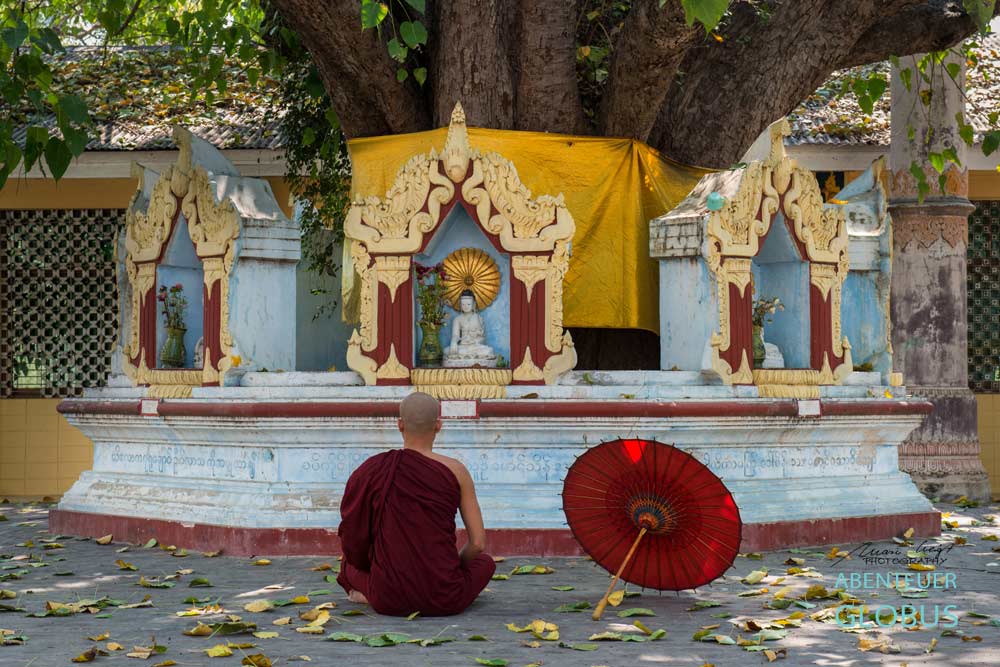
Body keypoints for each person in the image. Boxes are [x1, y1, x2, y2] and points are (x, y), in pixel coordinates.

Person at [336, 391, 496, 616]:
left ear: (399, 424)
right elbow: (478, 543)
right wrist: (452, 571)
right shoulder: (457, 471)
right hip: (445, 597)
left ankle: (368, 593)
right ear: (439, 425)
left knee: (348, 565)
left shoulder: (372, 469)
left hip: (388, 598)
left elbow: (353, 538)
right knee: (485, 563)